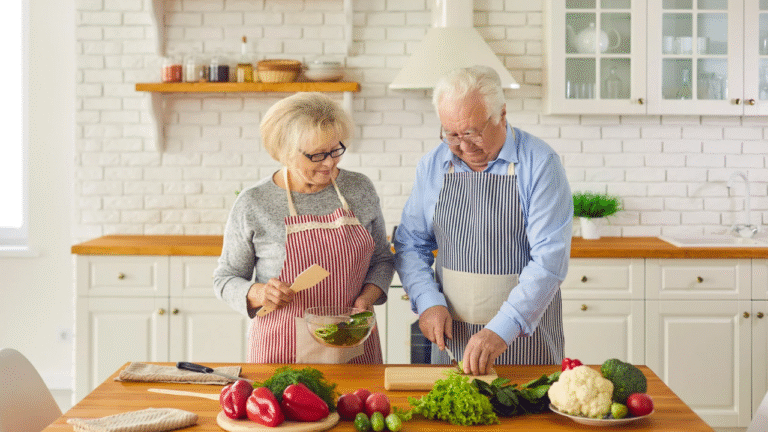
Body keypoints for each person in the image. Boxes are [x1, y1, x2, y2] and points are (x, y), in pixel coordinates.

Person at [393, 66, 572, 375]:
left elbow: (549, 261)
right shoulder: (433, 165)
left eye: (473, 133)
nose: (464, 147)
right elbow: (411, 243)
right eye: (452, 135)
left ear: (502, 114)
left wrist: (502, 329)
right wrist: (426, 300)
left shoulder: (540, 164)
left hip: (524, 342)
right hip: (452, 342)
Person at [214, 92, 394, 364]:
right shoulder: (254, 203)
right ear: (285, 152)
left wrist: (366, 298)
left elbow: (381, 259)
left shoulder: (360, 189)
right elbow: (226, 278)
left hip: (352, 344)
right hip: (280, 353)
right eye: (317, 155)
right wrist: (261, 293)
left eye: (336, 150)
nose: (330, 163)